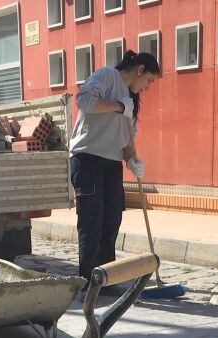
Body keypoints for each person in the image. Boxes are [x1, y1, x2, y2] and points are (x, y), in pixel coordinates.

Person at [69, 50, 161, 289]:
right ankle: (87, 281)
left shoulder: (132, 102)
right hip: (87, 158)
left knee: (111, 221)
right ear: (140, 70)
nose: (147, 87)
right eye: (149, 80)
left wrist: (132, 161)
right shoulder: (107, 76)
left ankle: (105, 279)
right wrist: (119, 106)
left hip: (111, 163)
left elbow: (126, 141)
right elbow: (84, 101)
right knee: (92, 221)